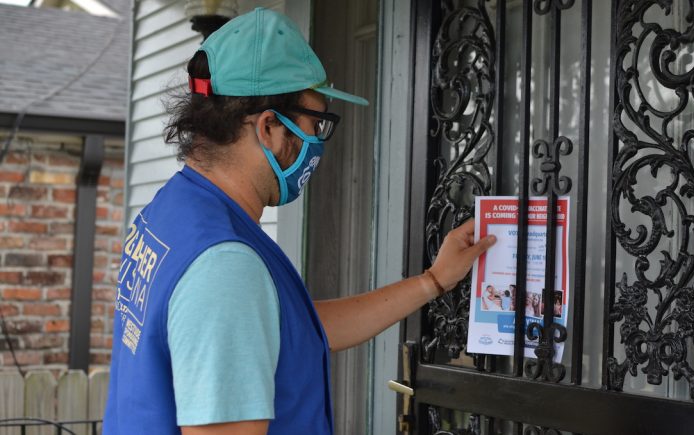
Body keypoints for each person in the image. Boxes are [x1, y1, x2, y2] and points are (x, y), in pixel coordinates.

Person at [102, 8, 495, 435]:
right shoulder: (224, 264)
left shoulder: (173, 210)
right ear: (269, 127)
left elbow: (283, 329)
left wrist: (433, 281)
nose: (318, 144)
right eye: (317, 124)